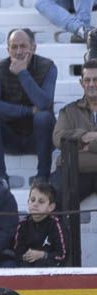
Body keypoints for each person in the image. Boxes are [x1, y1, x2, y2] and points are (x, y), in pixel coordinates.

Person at [0, 29, 57, 190]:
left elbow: (44, 103)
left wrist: (23, 73)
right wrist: (28, 111)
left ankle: (42, 177)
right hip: (11, 137)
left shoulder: (48, 66)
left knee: (43, 116)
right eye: (13, 47)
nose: (18, 52)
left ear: (34, 48)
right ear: (7, 50)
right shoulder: (1, 68)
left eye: (23, 46)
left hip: (40, 138)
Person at [53, 59, 97, 200]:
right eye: (87, 80)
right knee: (55, 196)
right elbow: (58, 138)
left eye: (96, 80)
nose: (91, 84)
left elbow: (67, 140)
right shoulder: (69, 111)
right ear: (81, 83)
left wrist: (88, 146)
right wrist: (83, 136)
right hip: (74, 172)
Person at [13, 182, 68, 267]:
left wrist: (42, 255)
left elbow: (62, 256)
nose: (35, 204)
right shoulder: (22, 224)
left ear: (51, 207)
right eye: (32, 200)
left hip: (50, 272)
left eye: (41, 201)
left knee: (41, 264)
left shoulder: (56, 225)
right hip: (27, 270)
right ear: (28, 202)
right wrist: (26, 256)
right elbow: (17, 253)